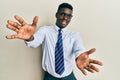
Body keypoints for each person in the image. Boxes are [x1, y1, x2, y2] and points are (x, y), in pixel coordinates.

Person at [6, 3, 103, 80]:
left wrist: (80, 55)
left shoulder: (74, 35)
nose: (65, 18)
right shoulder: (45, 30)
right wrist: (29, 38)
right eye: (62, 14)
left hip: (68, 76)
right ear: (56, 14)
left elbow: (79, 49)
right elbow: (35, 42)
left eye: (68, 16)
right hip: (49, 77)